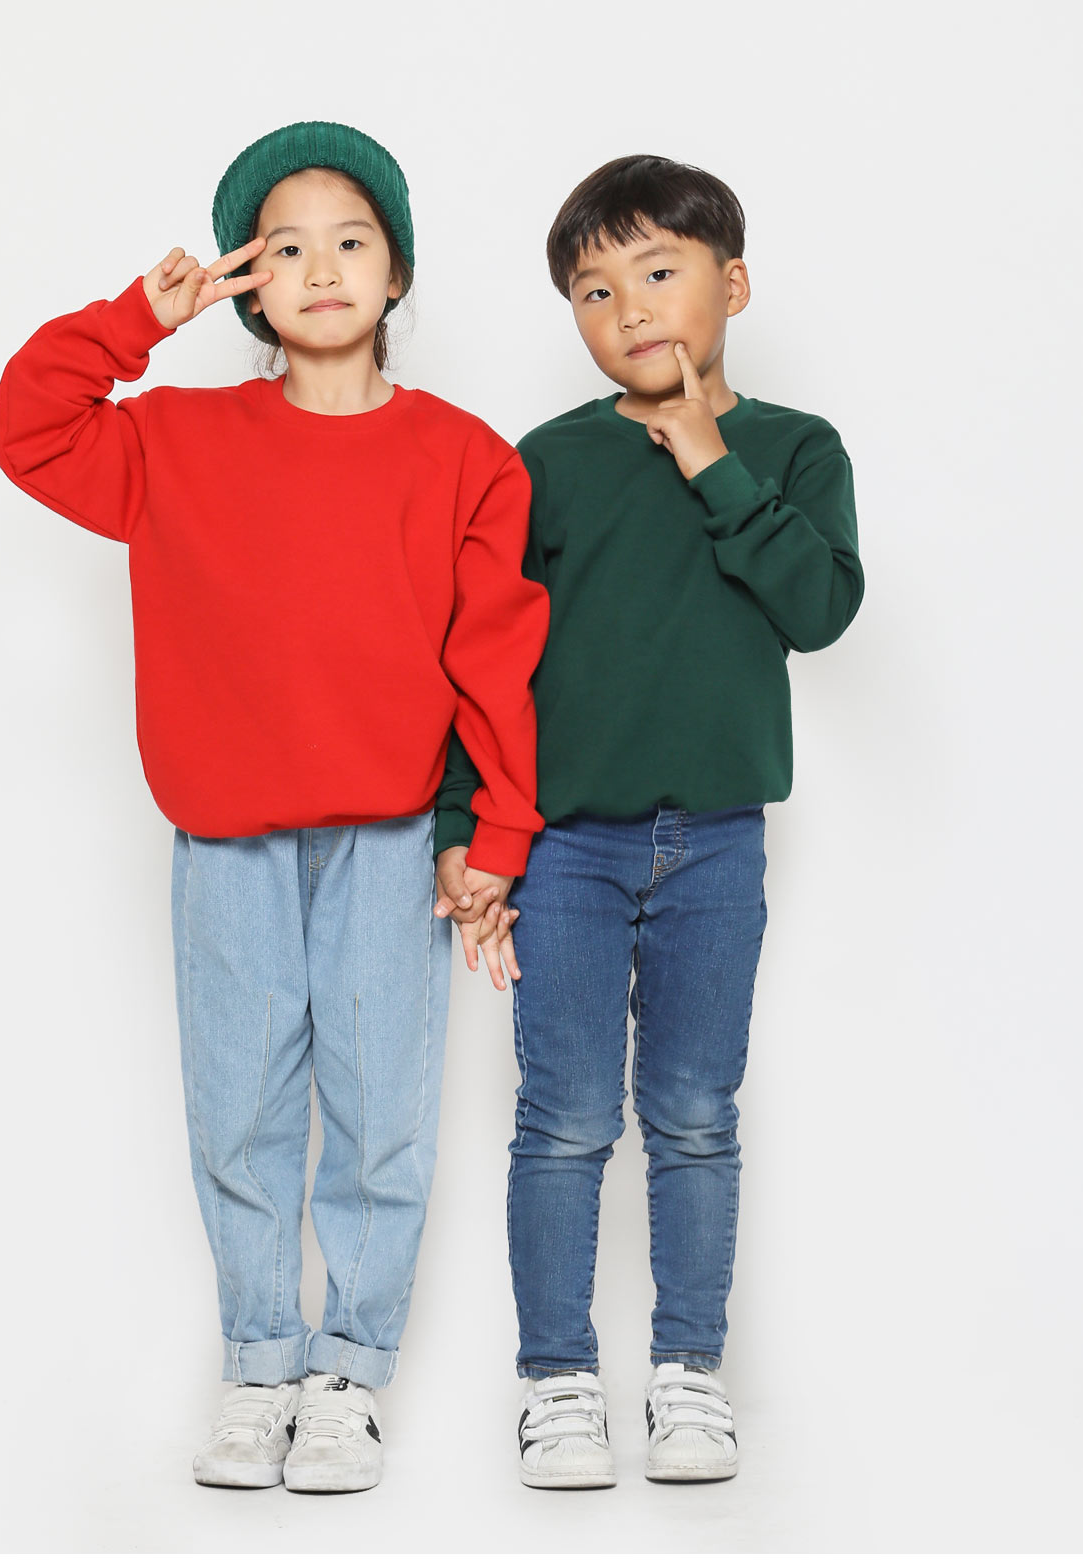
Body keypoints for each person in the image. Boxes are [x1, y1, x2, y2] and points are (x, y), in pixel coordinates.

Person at [0, 120, 548, 1494]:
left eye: (350, 240)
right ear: (247, 282)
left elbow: (495, 658)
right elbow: (23, 427)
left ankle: (347, 1374)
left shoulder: (466, 458)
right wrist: (139, 318)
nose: (322, 267)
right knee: (237, 1108)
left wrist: (498, 833)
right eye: (284, 247)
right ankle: (255, 1362)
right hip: (224, 834)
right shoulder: (172, 439)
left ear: (397, 271)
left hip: (390, 837)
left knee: (381, 1112)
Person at [434, 154, 864, 1487]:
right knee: (563, 1116)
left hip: (718, 842)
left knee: (691, 1112)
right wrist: (465, 828)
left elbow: (820, 609)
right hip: (567, 847)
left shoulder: (794, 449)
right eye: (593, 288)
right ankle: (556, 1379)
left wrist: (710, 461)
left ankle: (689, 1373)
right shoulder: (549, 462)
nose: (628, 307)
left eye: (659, 272)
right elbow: (481, 663)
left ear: (732, 285)